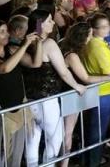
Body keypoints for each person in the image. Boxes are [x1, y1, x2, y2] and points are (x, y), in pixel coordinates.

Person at [22, 11, 85, 167]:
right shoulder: (48, 44)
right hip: (46, 100)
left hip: (28, 100)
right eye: (49, 21)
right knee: (55, 139)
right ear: (40, 24)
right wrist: (77, 86)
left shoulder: (26, 42)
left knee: (32, 139)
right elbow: (63, 71)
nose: (53, 23)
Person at [0, 20, 43, 167]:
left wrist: (39, 43)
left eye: (6, 30)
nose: (7, 34)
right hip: (0, 114)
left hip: (20, 109)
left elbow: (35, 63)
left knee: (16, 154)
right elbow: (4, 68)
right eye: (2, 32)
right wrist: (25, 45)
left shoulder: (12, 50)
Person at [60, 22, 110, 167]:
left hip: (72, 93)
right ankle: (64, 163)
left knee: (72, 130)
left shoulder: (67, 46)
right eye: (89, 35)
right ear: (82, 36)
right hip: (71, 94)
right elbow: (86, 78)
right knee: (67, 132)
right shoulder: (73, 55)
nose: (90, 38)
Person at [80, 12, 110, 167]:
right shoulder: (96, 46)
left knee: (94, 127)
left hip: (101, 91)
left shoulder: (97, 43)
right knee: (97, 128)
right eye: (102, 27)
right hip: (102, 92)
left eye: (107, 25)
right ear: (94, 29)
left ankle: (91, 158)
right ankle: (93, 160)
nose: (107, 29)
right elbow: (109, 71)